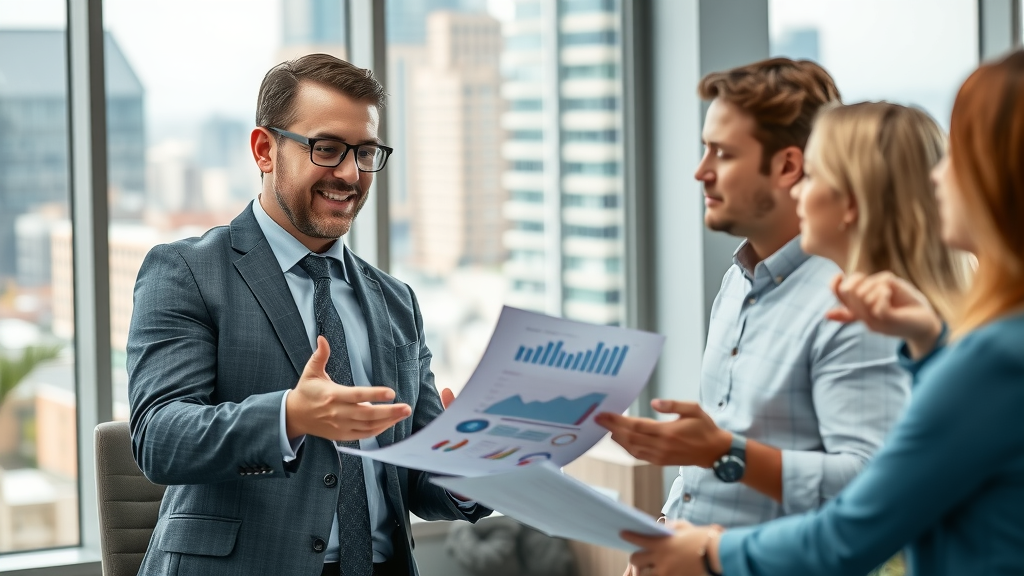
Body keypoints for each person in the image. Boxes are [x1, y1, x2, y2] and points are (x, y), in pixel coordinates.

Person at [620, 49, 1024, 576]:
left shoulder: (988, 352)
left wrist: (709, 543)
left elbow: (858, 525)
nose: (938, 177)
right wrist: (929, 347)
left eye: (961, 155)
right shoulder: (741, 283)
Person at [127, 53, 489, 576]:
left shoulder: (397, 301)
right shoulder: (187, 272)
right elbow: (159, 437)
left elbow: (414, 477)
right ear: (264, 150)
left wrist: (467, 465)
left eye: (365, 152)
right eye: (327, 149)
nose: (350, 174)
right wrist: (290, 416)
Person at [595, 58, 910, 550]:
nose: (701, 172)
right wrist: (663, 534)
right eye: (705, 149)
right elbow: (709, 459)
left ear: (787, 166)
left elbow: (871, 483)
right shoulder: (737, 283)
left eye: (722, 154)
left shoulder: (853, 305)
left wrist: (726, 452)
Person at [795, 101, 969, 329]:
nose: (795, 191)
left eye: (809, 175)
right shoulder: (932, 327)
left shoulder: (875, 327)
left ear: (851, 202)